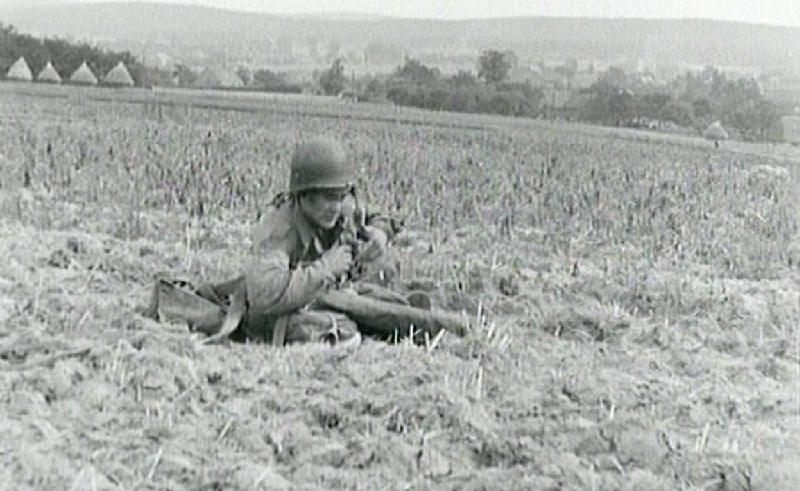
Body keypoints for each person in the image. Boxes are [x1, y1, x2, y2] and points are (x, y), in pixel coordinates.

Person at [239, 137, 401, 346]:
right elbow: (263, 294)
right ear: (304, 195)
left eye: (340, 197)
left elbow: (380, 217)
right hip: (300, 303)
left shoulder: (341, 206)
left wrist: (380, 232)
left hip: (341, 291)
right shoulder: (280, 229)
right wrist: (327, 268)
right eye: (328, 198)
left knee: (387, 262)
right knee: (334, 329)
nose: (336, 207)